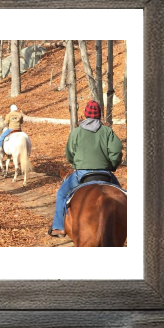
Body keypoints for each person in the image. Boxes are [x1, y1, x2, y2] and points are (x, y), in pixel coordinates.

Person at [48, 100, 123, 238]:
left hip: (82, 174)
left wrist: (76, 163)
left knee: (61, 194)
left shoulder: (76, 132)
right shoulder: (107, 131)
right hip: (105, 173)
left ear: (85, 114)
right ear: (99, 115)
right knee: (124, 198)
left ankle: (58, 227)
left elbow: (69, 154)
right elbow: (116, 151)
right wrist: (112, 165)